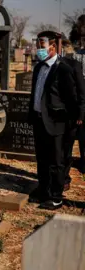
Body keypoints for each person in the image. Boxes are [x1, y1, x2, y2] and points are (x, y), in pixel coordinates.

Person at [28, 31, 85, 210]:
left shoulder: (64, 68)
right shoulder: (38, 67)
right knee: (42, 158)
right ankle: (43, 190)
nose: (39, 50)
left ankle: (56, 196)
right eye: (37, 46)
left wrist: (77, 118)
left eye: (42, 46)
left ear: (53, 47)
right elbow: (36, 93)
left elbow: (74, 97)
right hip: (39, 119)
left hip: (58, 122)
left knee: (57, 160)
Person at [61, 40, 85, 186]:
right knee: (67, 144)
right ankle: (64, 178)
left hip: (81, 104)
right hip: (76, 104)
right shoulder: (77, 58)